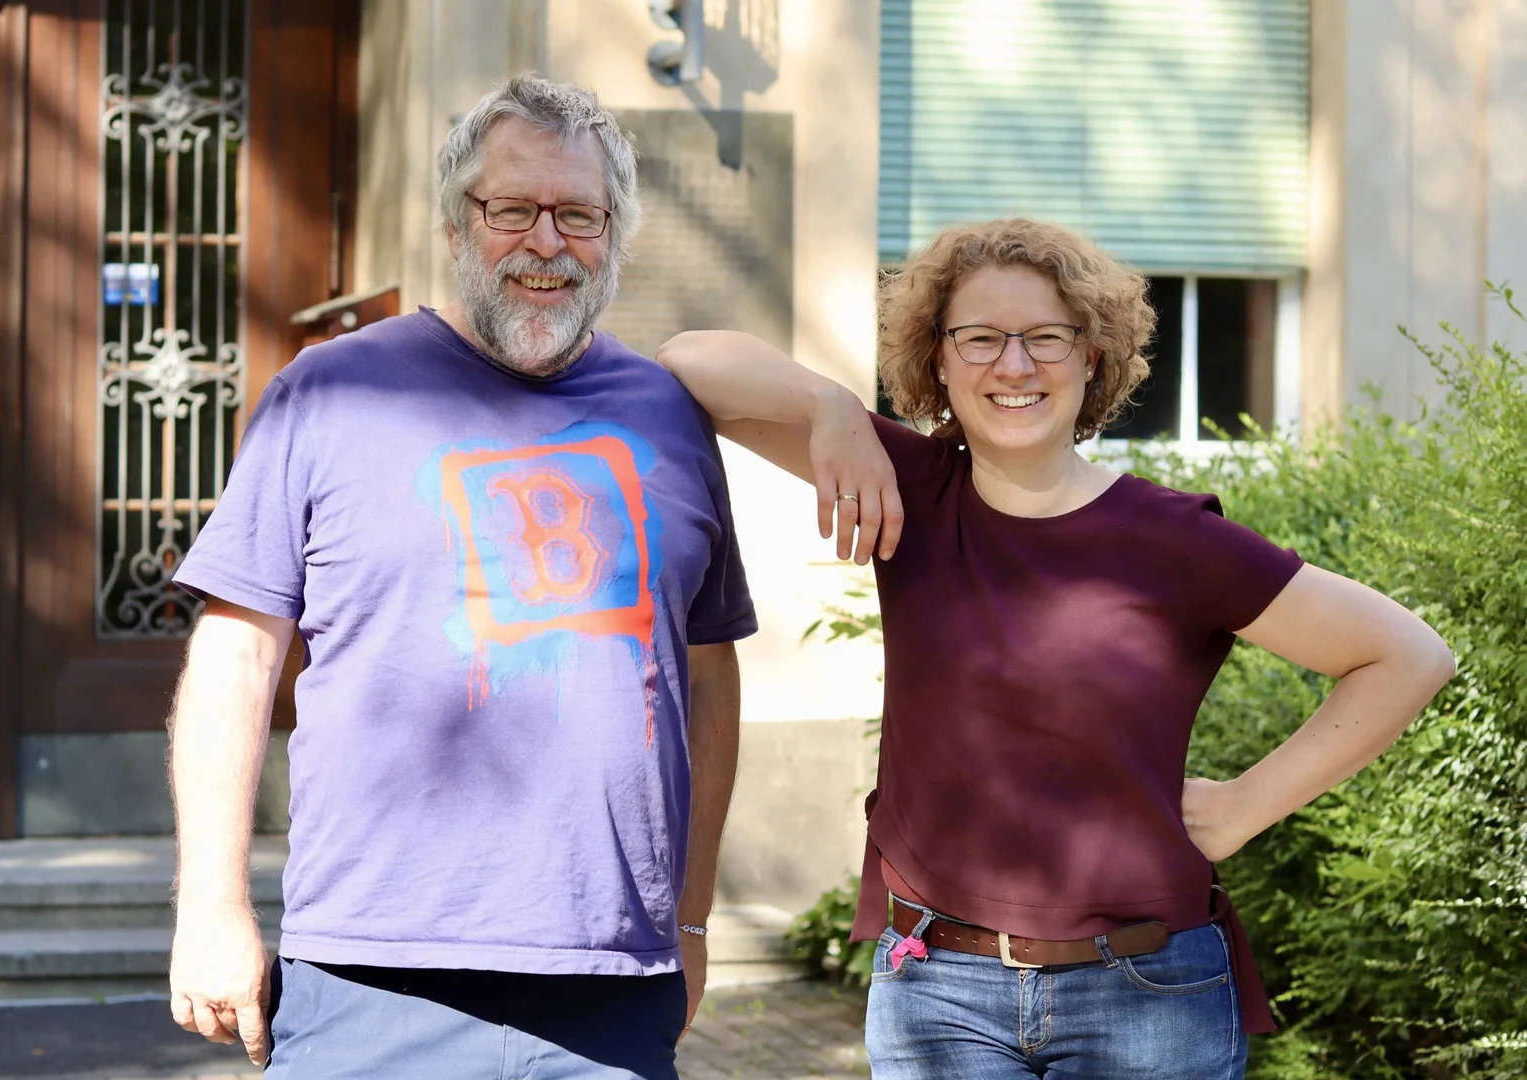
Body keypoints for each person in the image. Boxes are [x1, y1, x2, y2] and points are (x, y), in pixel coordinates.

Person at [653, 217, 1456, 1078]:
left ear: (1092, 358)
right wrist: (829, 408)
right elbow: (689, 364)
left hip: (1148, 998)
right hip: (939, 997)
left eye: (1046, 337)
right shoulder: (910, 492)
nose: (1014, 365)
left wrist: (1245, 805)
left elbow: (1407, 655)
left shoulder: (1176, 541)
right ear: (938, 361)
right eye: (981, 339)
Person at [165, 74, 757, 1080]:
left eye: (578, 214)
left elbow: (708, 678)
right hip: (371, 980)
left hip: (609, 988)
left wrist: (691, 922)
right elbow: (235, 656)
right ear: (455, 224)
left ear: (614, 234)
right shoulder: (331, 389)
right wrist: (210, 905)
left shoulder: (667, 415)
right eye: (512, 209)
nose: (546, 242)